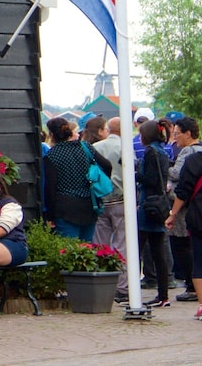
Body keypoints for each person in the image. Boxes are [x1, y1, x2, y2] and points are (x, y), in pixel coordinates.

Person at [43, 117, 112, 241]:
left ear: (52, 135)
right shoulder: (85, 147)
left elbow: (50, 188)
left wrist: (50, 215)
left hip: (65, 208)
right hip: (89, 204)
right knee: (87, 249)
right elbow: (107, 165)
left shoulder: (51, 156)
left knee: (69, 251)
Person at [92, 116, 128, 303]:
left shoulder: (96, 148)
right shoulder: (126, 147)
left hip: (100, 200)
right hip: (122, 200)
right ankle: (122, 287)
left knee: (100, 244)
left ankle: (101, 279)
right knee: (122, 244)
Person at [136, 120, 171, 307]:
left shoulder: (150, 152)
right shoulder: (163, 151)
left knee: (138, 248)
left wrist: (134, 172)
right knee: (158, 252)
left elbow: (150, 178)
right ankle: (163, 294)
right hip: (159, 205)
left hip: (148, 204)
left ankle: (129, 289)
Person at [168, 117, 202, 302]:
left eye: (177, 134)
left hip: (196, 213)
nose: (174, 138)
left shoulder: (190, 155)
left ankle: (198, 298)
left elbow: (183, 187)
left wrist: (172, 214)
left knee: (197, 257)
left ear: (188, 134)